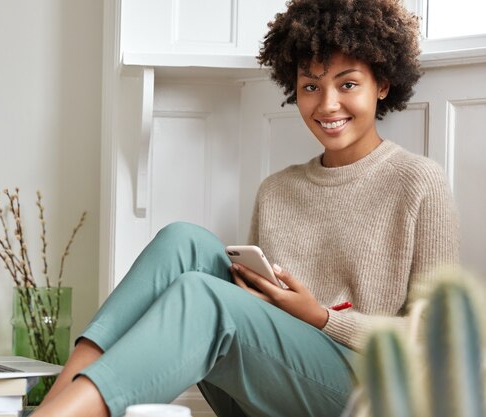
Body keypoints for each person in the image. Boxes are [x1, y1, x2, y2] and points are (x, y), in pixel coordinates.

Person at [33, 0, 459, 416]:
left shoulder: (418, 182)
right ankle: (57, 403)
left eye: (348, 84)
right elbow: (256, 316)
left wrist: (322, 318)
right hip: (272, 386)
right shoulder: (276, 190)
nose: (327, 105)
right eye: (311, 86)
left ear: (382, 84)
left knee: (202, 298)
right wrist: (256, 300)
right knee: (183, 240)